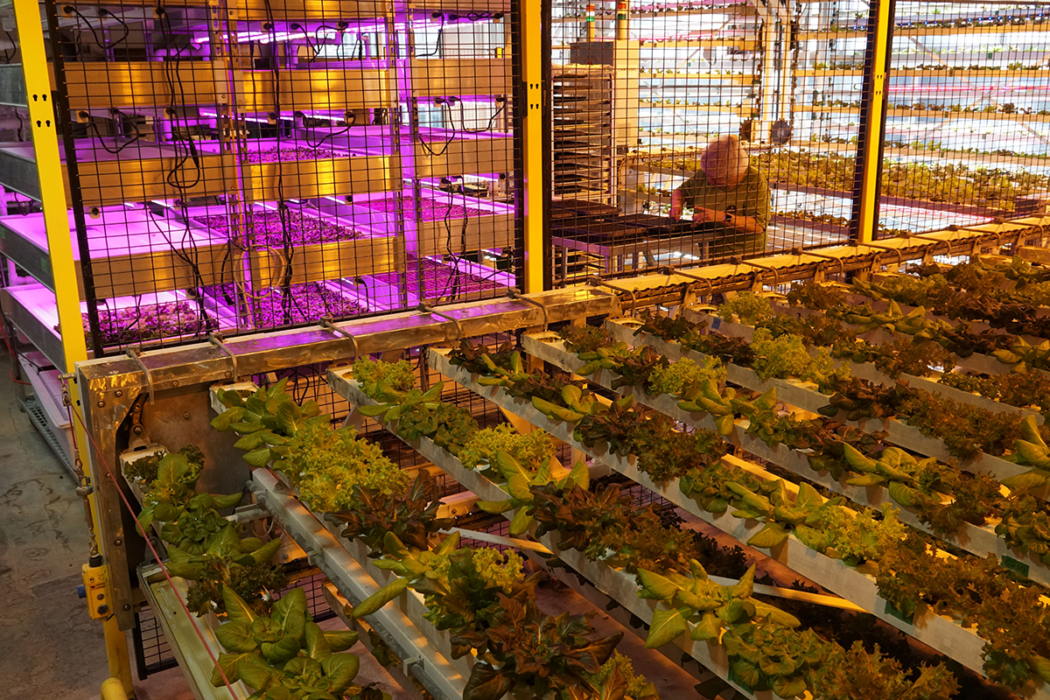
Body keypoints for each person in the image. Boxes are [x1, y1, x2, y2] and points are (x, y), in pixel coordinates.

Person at [668, 135, 770, 259]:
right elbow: (681, 191)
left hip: (743, 258)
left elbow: (757, 226)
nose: (710, 181)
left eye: (716, 179)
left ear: (736, 173)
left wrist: (723, 217)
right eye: (708, 175)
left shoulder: (754, 181)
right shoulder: (706, 174)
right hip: (709, 253)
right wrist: (676, 205)